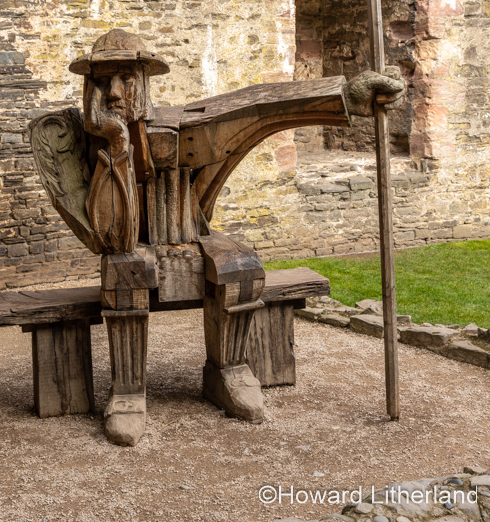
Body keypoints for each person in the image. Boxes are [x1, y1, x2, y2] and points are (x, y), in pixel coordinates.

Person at [30, 28, 405, 446]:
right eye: (103, 81)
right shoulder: (72, 141)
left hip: (191, 236)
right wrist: (117, 143)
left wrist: (345, 97)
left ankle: (227, 370)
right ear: (89, 87)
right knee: (127, 270)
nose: (115, 92)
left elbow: (260, 107)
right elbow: (112, 237)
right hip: (132, 249)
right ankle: (128, 391)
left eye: (126, 79)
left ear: (144, 81)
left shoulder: (186, 125)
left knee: (239, 262)